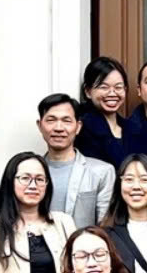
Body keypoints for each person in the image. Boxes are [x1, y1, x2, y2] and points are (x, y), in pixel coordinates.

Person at [37, 92, 116, 228]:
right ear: (40, 125)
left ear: (78, 127)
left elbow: (105, 227)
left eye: (66, 121)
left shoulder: (102, 172)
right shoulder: (29, 172)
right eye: (51, 120)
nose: (59, 128)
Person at [76, 56, 141, 168]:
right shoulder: (81, 128)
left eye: (118, 87)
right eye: (104, 87)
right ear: (88, 91)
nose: (112, 93)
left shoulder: (133, 128)